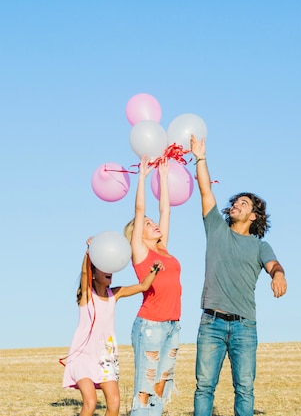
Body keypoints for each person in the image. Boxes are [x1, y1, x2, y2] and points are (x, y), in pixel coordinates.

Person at [189, 135, 288, 416]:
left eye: (243, 204)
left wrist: (277, 276)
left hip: (245, 327)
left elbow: (274, 265)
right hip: (211, 322)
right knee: (204, 386)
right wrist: (200, 158)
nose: (236, 205)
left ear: (254, 216)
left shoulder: (259, 245)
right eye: (235, 202)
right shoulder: (216, 229)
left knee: (244, 388)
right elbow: (205, 190)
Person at [61, 238, 163, 416]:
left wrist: (154, 269)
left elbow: (143, 286)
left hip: (105, 357)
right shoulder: (87, 295)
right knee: (90, 402)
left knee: (114, 403)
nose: (109, 270)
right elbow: (84, 274)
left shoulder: (115, 294)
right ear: (94, 273)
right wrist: (90, 251)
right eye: (103, 266)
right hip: (82, 357)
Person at [123, 155, 182, 415]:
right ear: (137, 232)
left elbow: (166, 210)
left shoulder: (163, 248)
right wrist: (143, 178)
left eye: (152, 222)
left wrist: (164, 178)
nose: (154, 224)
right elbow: (139, 211)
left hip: (172, 324)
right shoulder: (140, 252)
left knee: (161, 384)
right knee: (145, 388)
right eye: (147, 224)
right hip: (151, 325)